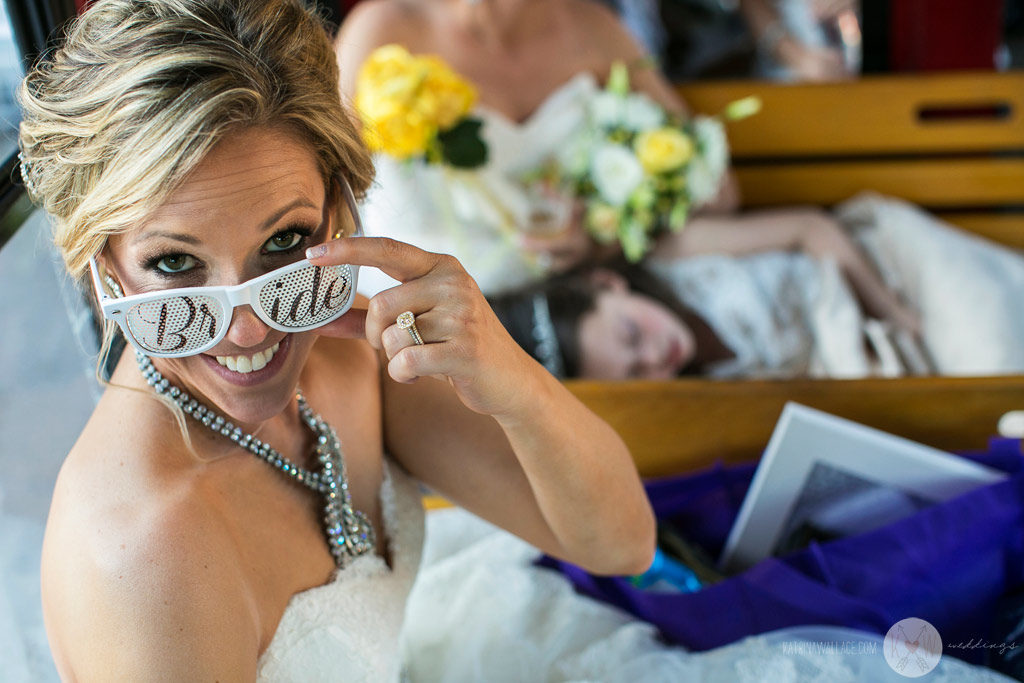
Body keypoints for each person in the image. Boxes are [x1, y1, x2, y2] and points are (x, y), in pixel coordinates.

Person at [18, 1, 656, 678]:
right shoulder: (142, 547)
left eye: (285, 242)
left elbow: (623, 542)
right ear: (98, 261)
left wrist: (508, 375)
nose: (249, 328)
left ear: (341, 208)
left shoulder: (352, 345)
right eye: (176, 263)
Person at [335, 0, 744, 297]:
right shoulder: (383, 29)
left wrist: (601, 239)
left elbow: (714, 184)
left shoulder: (596, 29)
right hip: (409, 309)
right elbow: (325, 188)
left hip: (570, 312)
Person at [490, 206, 928, 380]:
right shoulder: (703, 390)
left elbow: (809, 229)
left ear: (607, 283)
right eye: (637, 373)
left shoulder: (679, 256)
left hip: (881, 276)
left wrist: (892, 312)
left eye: (632, 334)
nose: (656, 356)